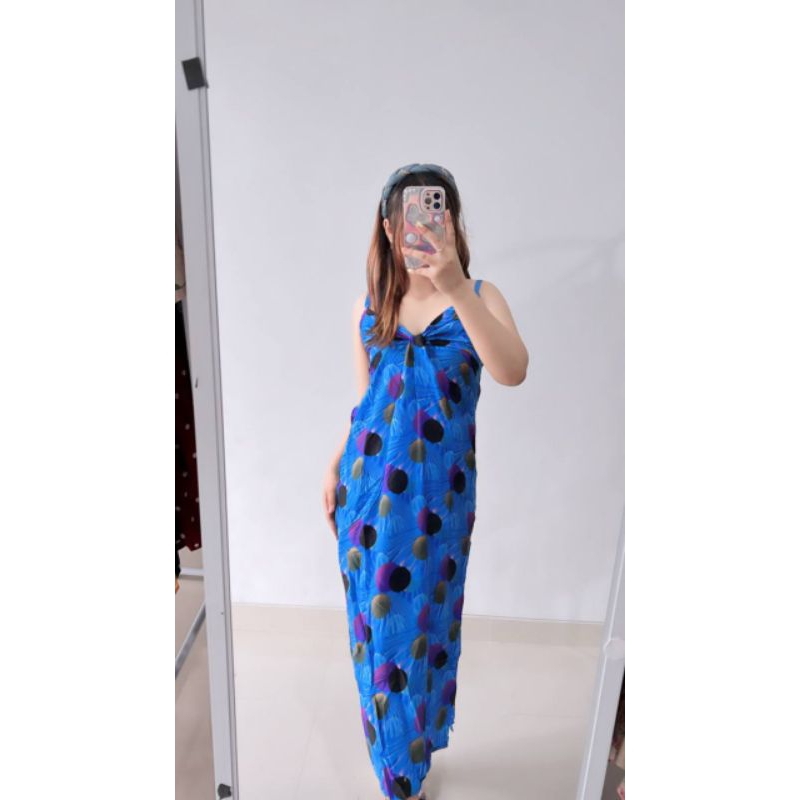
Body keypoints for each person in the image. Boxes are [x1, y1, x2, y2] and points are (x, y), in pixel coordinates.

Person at [322, 163, 528, 800]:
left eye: (436, 212)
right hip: (369, 498)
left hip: (439, 504)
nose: (422, 225)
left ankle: (419, 746)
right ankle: (398, 776)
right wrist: (334, 463)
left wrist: (455, 285)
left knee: (428, 628)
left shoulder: (480, 297)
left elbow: (513, 370)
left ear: (451, 221)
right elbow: (367, 402)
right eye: (408, 216)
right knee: (380, 637)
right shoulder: (370, 306)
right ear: (389, 228)